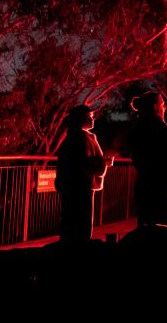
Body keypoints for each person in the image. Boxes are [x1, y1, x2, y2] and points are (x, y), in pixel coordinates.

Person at [55, 104, 109, 243]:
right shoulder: (80, 138)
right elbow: (83, 163)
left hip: (76, 185)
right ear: (81, 119)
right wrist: (102, 164)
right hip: (80, 186)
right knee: (81, 223)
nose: (93, 119)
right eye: (90, 116)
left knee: (72, 221)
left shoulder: (76, 136)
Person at [129, 91, 167, 227]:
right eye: (162, 104)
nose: (164, 107)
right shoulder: (159, 126)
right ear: (155, 106)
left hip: (143, 182)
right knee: (161, 226)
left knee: (145, 225)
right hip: (159, 184)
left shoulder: (138, 126)